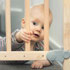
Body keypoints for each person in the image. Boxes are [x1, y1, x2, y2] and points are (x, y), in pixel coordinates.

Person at [0, 4, 52, 69]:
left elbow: (50, 57)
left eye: (43, 27)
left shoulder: (40, 45)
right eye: (34, 23)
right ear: (24, 23)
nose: (38, 29)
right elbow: (6, 44)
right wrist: (19, 37)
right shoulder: (20, 34)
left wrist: (41, 62)